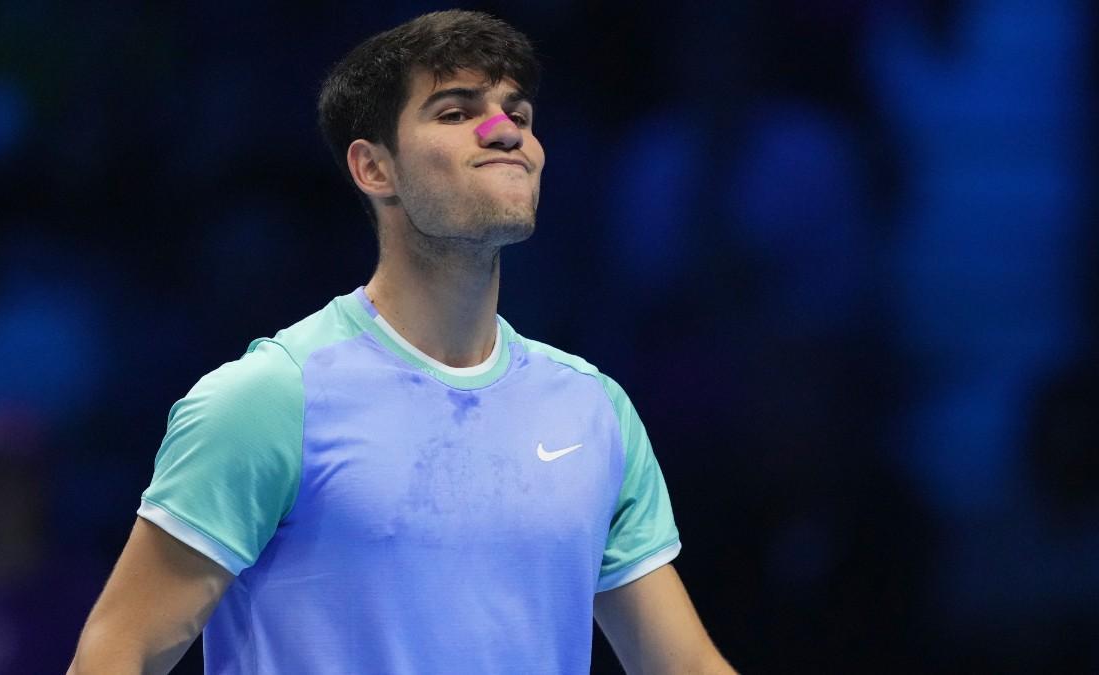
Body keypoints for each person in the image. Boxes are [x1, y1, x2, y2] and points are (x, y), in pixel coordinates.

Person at [68, 10, 736, 675]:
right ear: (373, 168)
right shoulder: (271, 399)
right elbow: (116, 653)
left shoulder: (594, 410)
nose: (506, 132)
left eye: (519, 114)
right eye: (455, 111)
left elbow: (683, 665)